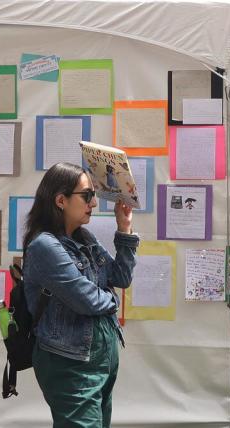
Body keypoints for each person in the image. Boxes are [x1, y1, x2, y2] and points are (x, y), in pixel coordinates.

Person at [22, 162, 138, 428]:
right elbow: (87, 301)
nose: (94, 203)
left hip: (99, 361)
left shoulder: (84, 238)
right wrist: (112, 301)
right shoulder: (45, 246)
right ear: (60, 200)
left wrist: (124, 229)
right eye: (86, 195)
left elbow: (121, 277)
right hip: (70, 363)